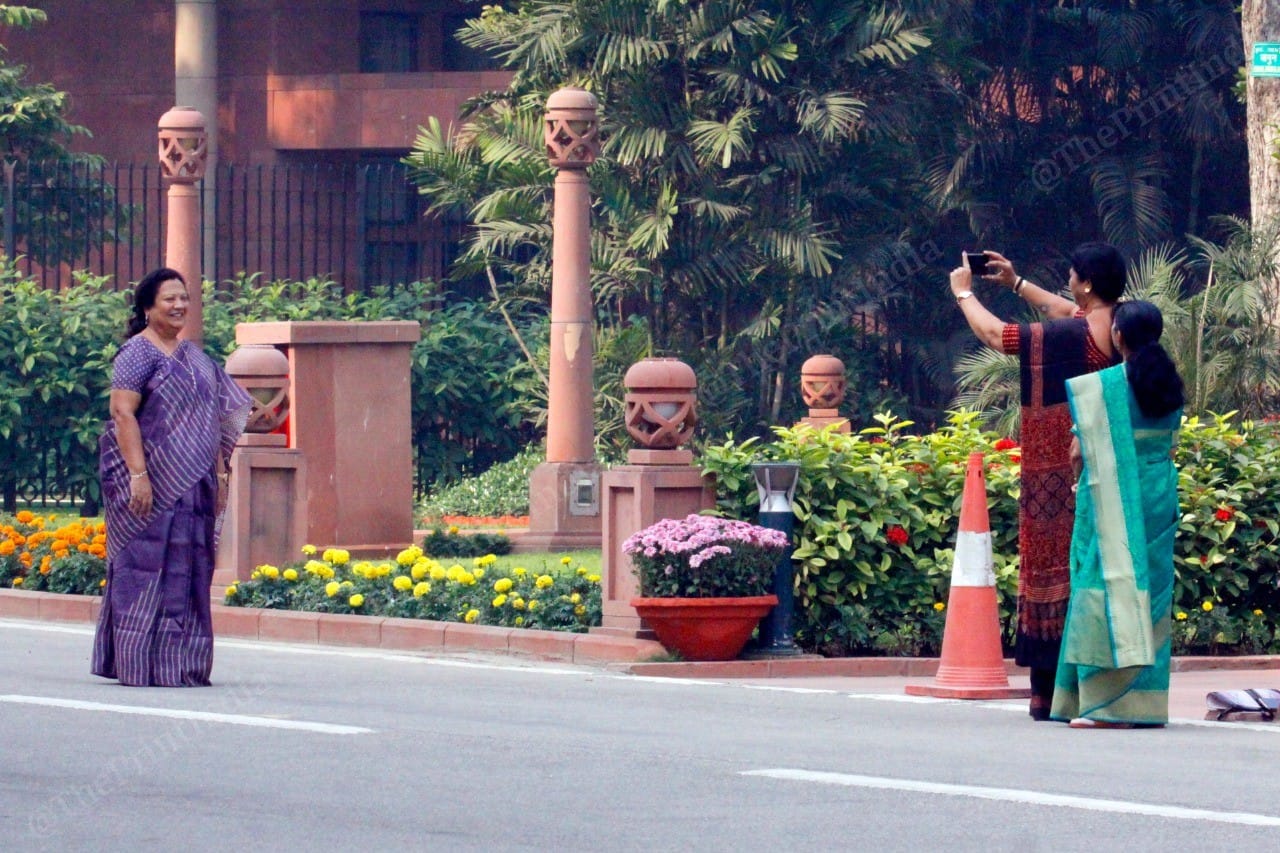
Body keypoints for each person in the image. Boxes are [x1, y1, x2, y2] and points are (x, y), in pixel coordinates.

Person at [949, 242, 1125, 721]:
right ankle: (1098, 689)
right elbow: (1065, 307)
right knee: (1097, 568)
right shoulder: (1123, 325)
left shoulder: (1068, 338)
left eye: (1071, 274)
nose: (1067, 281)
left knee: (1054, 568)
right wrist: (1016, 283)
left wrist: (964, 293)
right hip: (1110, 467)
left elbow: (994, 335)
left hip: (1058, 471)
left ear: (1086, 282)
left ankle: (1049, 692)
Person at [92, 268, 252, 686]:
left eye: (184, 298)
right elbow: (122, 414)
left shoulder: (196, 358)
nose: (179, 306)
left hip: (195, 484)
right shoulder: (137, 354)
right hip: (150, 481)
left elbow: (215, 420)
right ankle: (137, 663)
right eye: (169, 299)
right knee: (144, 566)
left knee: (191, 568)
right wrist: (138, 476)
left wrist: (221, 475)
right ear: (148, 307)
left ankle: (181, 664)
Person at [1052, 300, 1183, 728]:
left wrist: (1079, 485)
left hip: (1110, 493)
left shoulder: (1104, 387)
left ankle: (1102, 705)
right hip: (1159, 491)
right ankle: (1142, 704)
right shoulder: (1170, 383)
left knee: (1101, 586)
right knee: (1150, 591)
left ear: (1119, 336)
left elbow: (1077, 452)